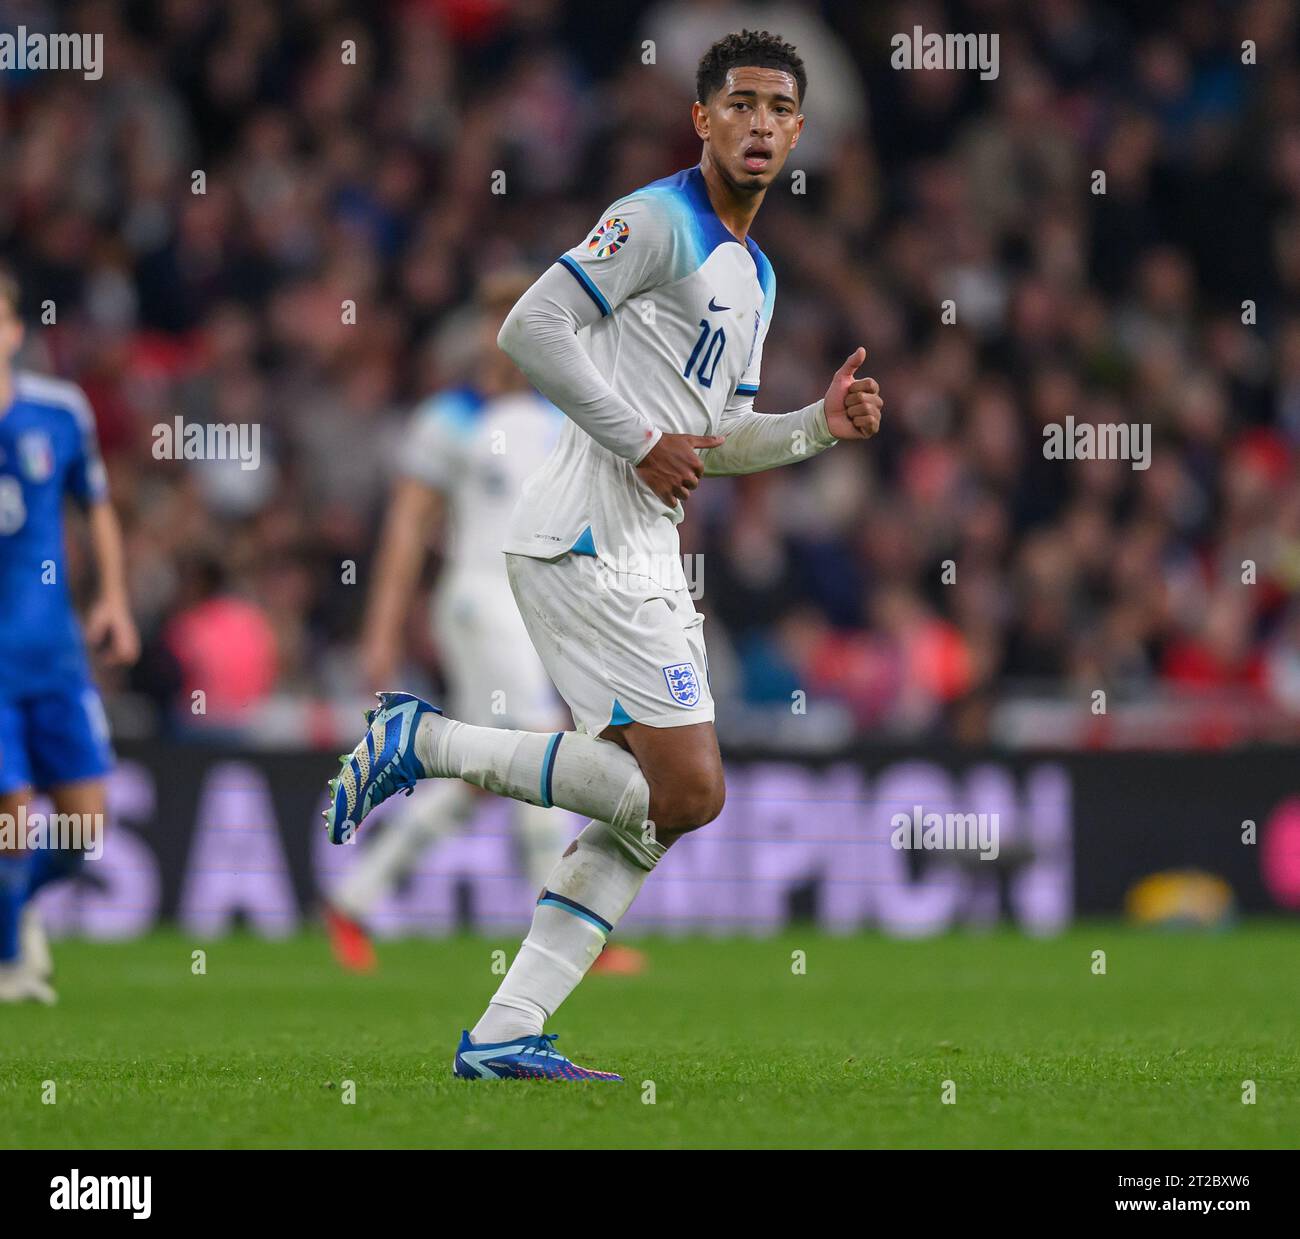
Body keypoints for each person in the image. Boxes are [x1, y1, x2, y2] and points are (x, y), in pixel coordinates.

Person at [324, 30, 883, 1080]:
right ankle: (424, 743)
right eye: (739, 103)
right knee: (692, 793)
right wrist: (638, 439)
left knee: (647, 813)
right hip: (588, 536)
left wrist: (818, 426)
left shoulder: (753, 274)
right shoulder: (656, 216)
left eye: (777, 108)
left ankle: (503, 1035)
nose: (758, 123)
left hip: (636, 546)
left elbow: (713, 447)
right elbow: (530, 330)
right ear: (701, 119)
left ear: (799, 130)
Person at [325, 272, 645, 976]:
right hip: (476, 602)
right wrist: (381, 631)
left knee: (480, 780)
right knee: (540, 743)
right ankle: (568, 930)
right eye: (498, 321)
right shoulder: (451, 419)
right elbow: (408, 528)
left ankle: (351, 900)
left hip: (536, 608)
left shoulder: (567, 420)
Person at [0, 268, 139, 1003]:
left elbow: (98, 505)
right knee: (12, 827)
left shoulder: (59, 412)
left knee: (84, 829)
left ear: (14, 330)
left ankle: (15, 912)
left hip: (54, 658)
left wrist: (113, 598)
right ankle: (11, 966)